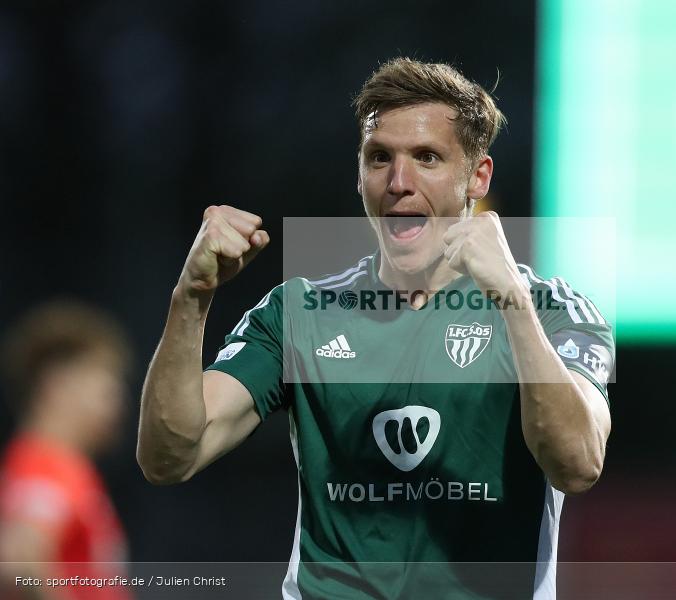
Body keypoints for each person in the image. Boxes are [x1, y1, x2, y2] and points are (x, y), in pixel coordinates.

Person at [137, 57, 614, 599]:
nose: (398, 182)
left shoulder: (553, 312)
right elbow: (169, 457)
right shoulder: (299, 313)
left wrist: (510, 299)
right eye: (379, 157)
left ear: (477, 177)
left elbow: (577, 464)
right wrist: (191, 299)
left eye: (427, 158)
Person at [0, 301, 133, 600]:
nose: (118, 402)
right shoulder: (46, 465)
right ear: (58, 384)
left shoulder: (64, 467)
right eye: (106, 383)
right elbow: (18, 561)